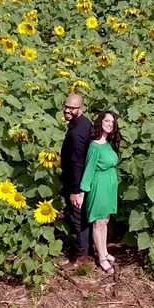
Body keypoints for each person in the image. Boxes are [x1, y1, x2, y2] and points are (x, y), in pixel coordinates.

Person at [78, 111, 121, 274]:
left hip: (109, 184)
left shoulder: (109, 142)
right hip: (99, 184)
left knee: (105, 220)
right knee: (98, 221)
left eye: (112, 122)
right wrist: (82, 192)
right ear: (100, 122)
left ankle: (104, 250)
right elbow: (88, 170)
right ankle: (101, 257)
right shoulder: (95, 146)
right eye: (107, 121)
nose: (110, 124)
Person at [59, 93, 94, 270]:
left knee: (77, 218)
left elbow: (77, 163)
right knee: (82, 218)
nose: (67, 110)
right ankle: (85, 250)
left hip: (77, 183)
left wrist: (76, 190)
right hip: (82, 181)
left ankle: (82, 257)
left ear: (81, 109)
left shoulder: (77, 133)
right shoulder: (84, 124)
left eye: (71, 108)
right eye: (66, 106)